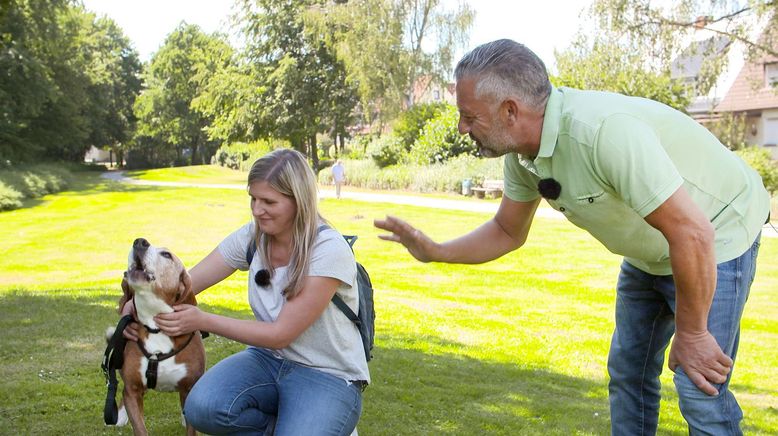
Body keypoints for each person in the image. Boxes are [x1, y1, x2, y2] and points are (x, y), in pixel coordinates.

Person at [374, 39, 769, 435]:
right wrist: (435, 251)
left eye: (468, 116)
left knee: (699, 384)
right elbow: (507, 230)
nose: (462, 128)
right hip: (653, 250)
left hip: (717, 233)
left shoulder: (601, 132)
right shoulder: (523, 155)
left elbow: (693, 232)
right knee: (628, 373)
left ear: (510, 110)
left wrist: (694, 333)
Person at [123, 149, 368, 435]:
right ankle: (283, 425)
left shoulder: (328, 250)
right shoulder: (252, 237)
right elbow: (187, 282)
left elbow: (281, 334)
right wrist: (136, 308)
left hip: (328, 374)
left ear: (299, 201)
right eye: (253, 198)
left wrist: (203, 320)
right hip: (268, 362)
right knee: (201, 407)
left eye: (269, 201)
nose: (256, 209)